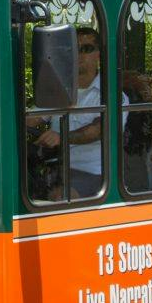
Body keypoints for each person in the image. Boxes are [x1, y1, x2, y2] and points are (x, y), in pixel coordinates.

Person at [28, 30, 112, 199]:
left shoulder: (110, 94)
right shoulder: (58, 90)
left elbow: (99, 130)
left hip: (94, 174)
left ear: (98, 54)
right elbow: (32, 119)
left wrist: (61, 137)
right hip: (55, 168)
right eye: (73, 49)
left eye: (86, 49)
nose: (79, 54)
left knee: (61, 197)